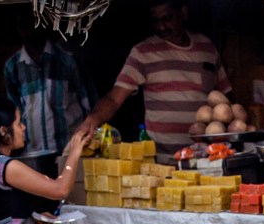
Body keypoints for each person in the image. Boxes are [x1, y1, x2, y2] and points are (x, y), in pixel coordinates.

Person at [79, 0, 232, 164]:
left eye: (167, 18)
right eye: (156, 20)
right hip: (163, 162)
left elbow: (226, 97)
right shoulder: (142, 52)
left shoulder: (206, 47)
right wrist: (93, 119)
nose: (161, 27)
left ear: (183, 13)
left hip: (207, 159)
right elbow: (114, 98)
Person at [4, 12, 96, 178]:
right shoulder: (13, 67)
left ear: (44, 22)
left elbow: (90, 106)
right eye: (23, 25)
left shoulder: (68, 60)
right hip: (33, 157)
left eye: (33, 23)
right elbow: (13, 112)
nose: (29, 31)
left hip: (69, 155)